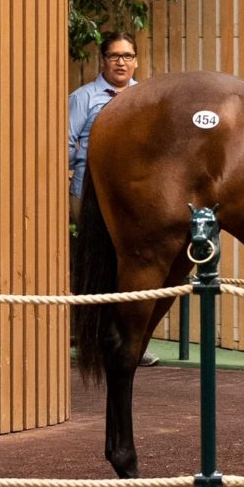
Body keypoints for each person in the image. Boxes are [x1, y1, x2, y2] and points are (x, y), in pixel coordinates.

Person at [68, 31, 158, 367]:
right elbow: (65, 144)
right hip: (90, 197)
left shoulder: (148, 98)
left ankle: (133, 341)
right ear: (102, 60)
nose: (122, 62)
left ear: (136, 61)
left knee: (134, 267)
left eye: (128, 56)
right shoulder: (83, 98)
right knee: (97, 264)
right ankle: (94, 340)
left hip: (136, 199)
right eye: (114, 56)